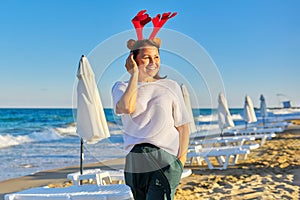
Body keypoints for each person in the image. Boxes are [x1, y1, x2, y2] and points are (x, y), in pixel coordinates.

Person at [111, 11, 191, 200]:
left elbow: (183, 125)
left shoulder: (170, 86)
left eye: (156, 57)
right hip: (135, 159)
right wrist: (134, 76)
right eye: (146, 57)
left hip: (164, 157)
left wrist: (181, 160)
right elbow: (126, 108)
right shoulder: (120, 87)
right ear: (133, 59)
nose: (153, 62)